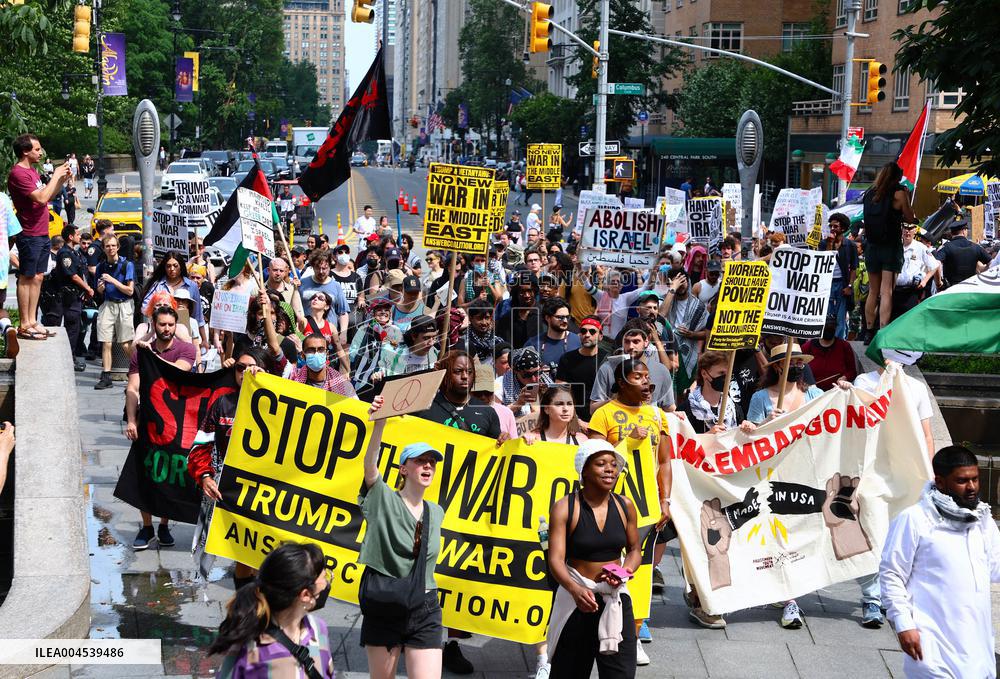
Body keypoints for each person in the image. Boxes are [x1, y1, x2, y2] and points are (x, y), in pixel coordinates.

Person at [880, 445, 1000, 679]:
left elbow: (994, 569)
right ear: (941, 482)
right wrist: (904, 624)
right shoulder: (914, 519)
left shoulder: (982, 520)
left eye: (975, 479)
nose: (972, 487)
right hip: (933, 647)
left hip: (978, 651)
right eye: (962, 481)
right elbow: (891, 573)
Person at [358, 397, 445, 679]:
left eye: (431, 461)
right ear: (403, 469)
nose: (428, 465)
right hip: (386, 605)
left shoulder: (436, 512)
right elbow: (370, 467)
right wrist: (380, 422)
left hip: (426, 607)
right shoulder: (383, 499)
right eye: (420, 460)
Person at [546, 439, 641, 677]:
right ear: (584, 470)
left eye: (613, 465)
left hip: (615, 599)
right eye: (601, 464)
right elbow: (556, 559)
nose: (610, 469)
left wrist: (624, 572)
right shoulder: (565, 507)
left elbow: (634, 550)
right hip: (577, 600)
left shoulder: (625, 505)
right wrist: (574, 589)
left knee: (620, 673)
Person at [189, 346, 277, 584]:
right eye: (241, 368)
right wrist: (205, 476)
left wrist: (268, 384)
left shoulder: (279, 405)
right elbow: (200, 446)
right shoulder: (223, 404)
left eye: (253, 368)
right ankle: (247, 611)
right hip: (231, 493)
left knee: (265, 560)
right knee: (243, 557)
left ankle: (264, 612)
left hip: (267, 495)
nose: (245, 373)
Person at [125, 307, 197, 549]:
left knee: (167, 472)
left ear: (176, 325)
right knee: (144, 473)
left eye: (170, 325)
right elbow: (133, 388)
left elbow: (179, 370)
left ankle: (164, 525)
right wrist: (132, 420)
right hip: (147, 419)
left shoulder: (186, 349)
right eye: (162, 324)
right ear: (153, 325)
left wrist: (150, 357)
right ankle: (146, 527)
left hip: (176, 423)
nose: (166, 329)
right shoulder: (140, 353)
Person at [209, 543, 335, 679]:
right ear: (305, 595)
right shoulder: (249, 649)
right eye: (325, 577)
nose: (327, 583)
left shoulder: (318, 629)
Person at [8, 133, 72, 340]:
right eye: (36, 149)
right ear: (25, 151)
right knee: (26, 277)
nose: (40, 152)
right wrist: (55, 176)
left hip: (42, 231)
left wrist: (62, 180)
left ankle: (33, 321)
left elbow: (49, 196)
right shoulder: (19, 173)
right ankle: (25, 324)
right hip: (29, 232)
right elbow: (41, 197)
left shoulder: (33, 172)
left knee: (38, 277)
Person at [862, 162, 915, 342]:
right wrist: (907, 198)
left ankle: (869, 330)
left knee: (873, 290)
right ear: (897, 176)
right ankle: (883, 330)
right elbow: (909, 217)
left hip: (872, 246)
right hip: (890, 247)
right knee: (886, 292)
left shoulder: (870, 193)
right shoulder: (899, 193)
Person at [850, 349, 934, 459]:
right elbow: (863, 416)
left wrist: (930, 469)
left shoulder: (918, 387)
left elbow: (926, 435)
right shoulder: (864, 381)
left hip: (906, 457)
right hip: (872, 455)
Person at [591, 322, 675, 414]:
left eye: (636, 341)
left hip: (649, 425)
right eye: (627, 341)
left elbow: (669, 409)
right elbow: (593, 409)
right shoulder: (608, 368)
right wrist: (617, 400)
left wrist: (676, 414)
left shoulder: (661, 370)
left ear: (646, 342)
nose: (631, 346)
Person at [41, 224, 93, 371]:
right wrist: (87, 288)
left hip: (73, 297)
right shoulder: (65, 254)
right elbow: (73, 276)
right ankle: (58, 358)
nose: (80, 236)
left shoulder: (74, 253)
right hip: (64, 297)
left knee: (73, 328)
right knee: (58, 326)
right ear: (70, 237)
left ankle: (69, 357)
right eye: (77, 234)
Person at [742, 343, 823, 428]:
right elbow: (752, 436)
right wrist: (766, 422)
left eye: (799, 363)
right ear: (776, 367)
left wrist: (838, 391)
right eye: (790, 363)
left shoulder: (815, 394)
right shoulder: (760, 398)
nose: (795, 367)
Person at [94, 235, 136, 389]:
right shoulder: (101, 266)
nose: (110, 249)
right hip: (107, 304)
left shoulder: (127, 265)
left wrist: (112, 281)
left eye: (113, 246)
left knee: (125, 343)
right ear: (104, 248)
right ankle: (106, 376)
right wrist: (100, 288)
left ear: (118, 247)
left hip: (124, 305)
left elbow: (130, 290)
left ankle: (138, 371)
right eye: (107, 246)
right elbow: (97, 290)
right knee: (106, 342)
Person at [556, 316, 608, 424]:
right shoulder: (567, 359)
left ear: (601, 336)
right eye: (583, 331)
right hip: (573, 419)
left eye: (592, 331)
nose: (587, 335)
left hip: (603, 419)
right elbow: (560, 393)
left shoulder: (607, 359)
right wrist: (576, 421)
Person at [680, 350, 743, 434]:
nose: (726, 378)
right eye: (721, 373)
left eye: (728, 374)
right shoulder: (687, 409)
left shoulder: (733, 408)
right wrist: (709, 435)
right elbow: (683, 442)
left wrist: (746, 428)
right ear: (704, 373)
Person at [299, 249, 350, 342]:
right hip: (306, 335)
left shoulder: (336, 286)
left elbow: (343, 312)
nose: (321, 271)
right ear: (312, 267)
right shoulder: (302, 283)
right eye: (318, 268)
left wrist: (343, 333)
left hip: (329, 336)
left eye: (324, 268)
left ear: (330, 267)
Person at [893, 223, 941, 320]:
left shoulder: (920, 247)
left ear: (915, 231)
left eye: (910, 229)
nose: (907, 231)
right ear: (901, 229)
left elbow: (935, 265)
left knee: (909, 320)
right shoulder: (895, 246)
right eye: (905, 228)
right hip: (895, 291)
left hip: (911, 292)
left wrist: (924, 281)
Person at [526, 298, 581, 376]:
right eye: (560, 317)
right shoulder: (533, 344)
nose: (565, 321)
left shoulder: (578, 342)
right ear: (547, 318)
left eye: (567, 317)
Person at [802, 315, 859, 389]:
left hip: (836, 392)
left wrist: (845, 378)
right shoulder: (807, 347)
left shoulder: (844, 346)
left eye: (832, 327)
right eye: (826, 327)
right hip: (812, 392)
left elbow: (852, 371)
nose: (829, 329)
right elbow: (800, 370)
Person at [525, 383, 589, 445]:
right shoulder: (533, 439)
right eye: (559, 404)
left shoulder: (582, 441)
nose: (565, 409)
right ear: (546, 409)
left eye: (569, 404)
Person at [935, 220, 990, 287]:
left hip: (951, 289)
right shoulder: (976, 247)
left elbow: (937, 264)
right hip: (971, 287)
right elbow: (991, 263)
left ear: (952, 233)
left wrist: (939, 283)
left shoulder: (945, 247)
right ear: (964, 231)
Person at [500, 347, 553, 411]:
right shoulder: (501, 384)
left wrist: (548, 395)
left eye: (537, 373)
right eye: (528, 375)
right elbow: (496, 416)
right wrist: (518, 404)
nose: (534, 379)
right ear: (516, 371)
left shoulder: (546, 382)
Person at [264, 255, 305, 329]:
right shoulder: (259, 290)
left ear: (285, 272)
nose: (278, 273)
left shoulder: (292, 290)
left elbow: (299, 315)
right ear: (268, 270)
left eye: (281, 271)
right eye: (275, 270)